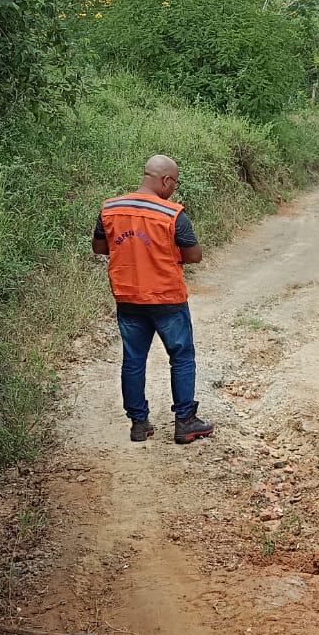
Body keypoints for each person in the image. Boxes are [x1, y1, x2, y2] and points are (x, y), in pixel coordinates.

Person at [92, 155, 214, 445]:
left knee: (133, 360)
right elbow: (194, 255)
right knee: (181, 357)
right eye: (175, 183)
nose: (174, 189)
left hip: (129, 298)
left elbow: (100, 247)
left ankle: (138, 424)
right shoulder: (172, 214)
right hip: (167, 298)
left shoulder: (110, 208)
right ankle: (185, 422)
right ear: (166, 180)